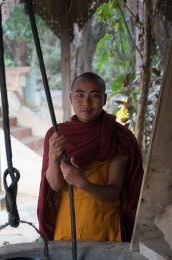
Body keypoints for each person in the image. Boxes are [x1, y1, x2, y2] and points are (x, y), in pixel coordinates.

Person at [37, 72, 143, 242]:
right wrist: (53, 154)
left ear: (104, 98)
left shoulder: (117, 136)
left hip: (105, 225)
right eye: (80, 95)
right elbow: (55, 186)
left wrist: (82, 182)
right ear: (71, 98)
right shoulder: (57, 135)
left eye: (94, 95)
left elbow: (113, 192)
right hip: (68, 223)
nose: (86, 102)